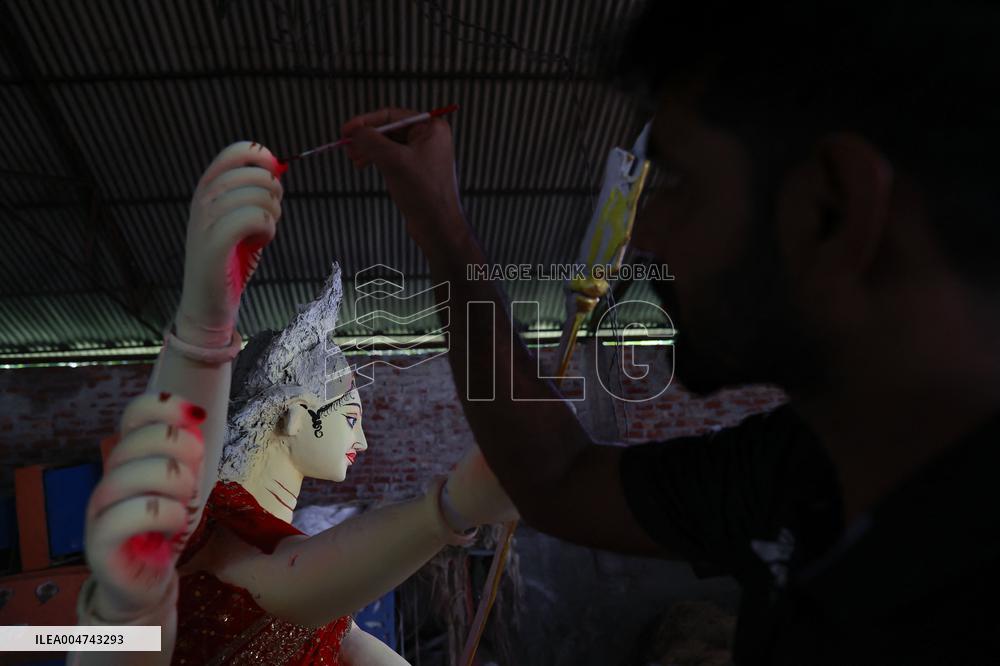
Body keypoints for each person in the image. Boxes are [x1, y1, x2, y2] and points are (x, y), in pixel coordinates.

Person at [339, 1, 1000, 663]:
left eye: (681, 183)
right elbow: (557, 480)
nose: (645, 231)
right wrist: (441, 223)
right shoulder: (802, 469)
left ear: (832, 209)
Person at [72, 145, 516, 666]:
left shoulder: (275, 544)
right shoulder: (223, 529)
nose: (363, 439)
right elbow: (293, 580)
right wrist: (449, 508)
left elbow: (336, 629)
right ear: (295, 415)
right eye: (350, 418)